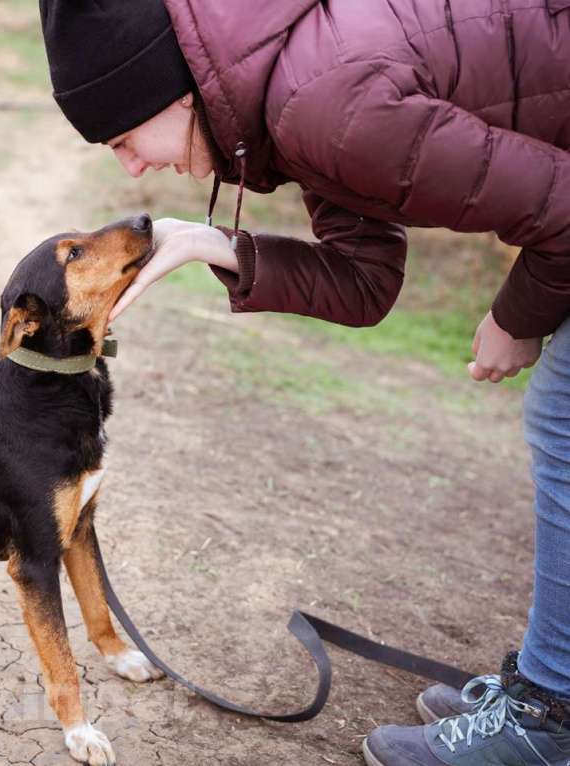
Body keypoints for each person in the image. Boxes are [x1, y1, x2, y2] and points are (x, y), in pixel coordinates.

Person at [40, 2, 570, 765]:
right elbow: (366, 283)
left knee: (563, 418)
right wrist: (206, 243)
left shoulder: (322, 104)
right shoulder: (287, 94)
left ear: (177, 92)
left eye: (125, 138)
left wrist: (519, 317)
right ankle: (549, 690)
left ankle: (548, 715)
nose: (131, 165)